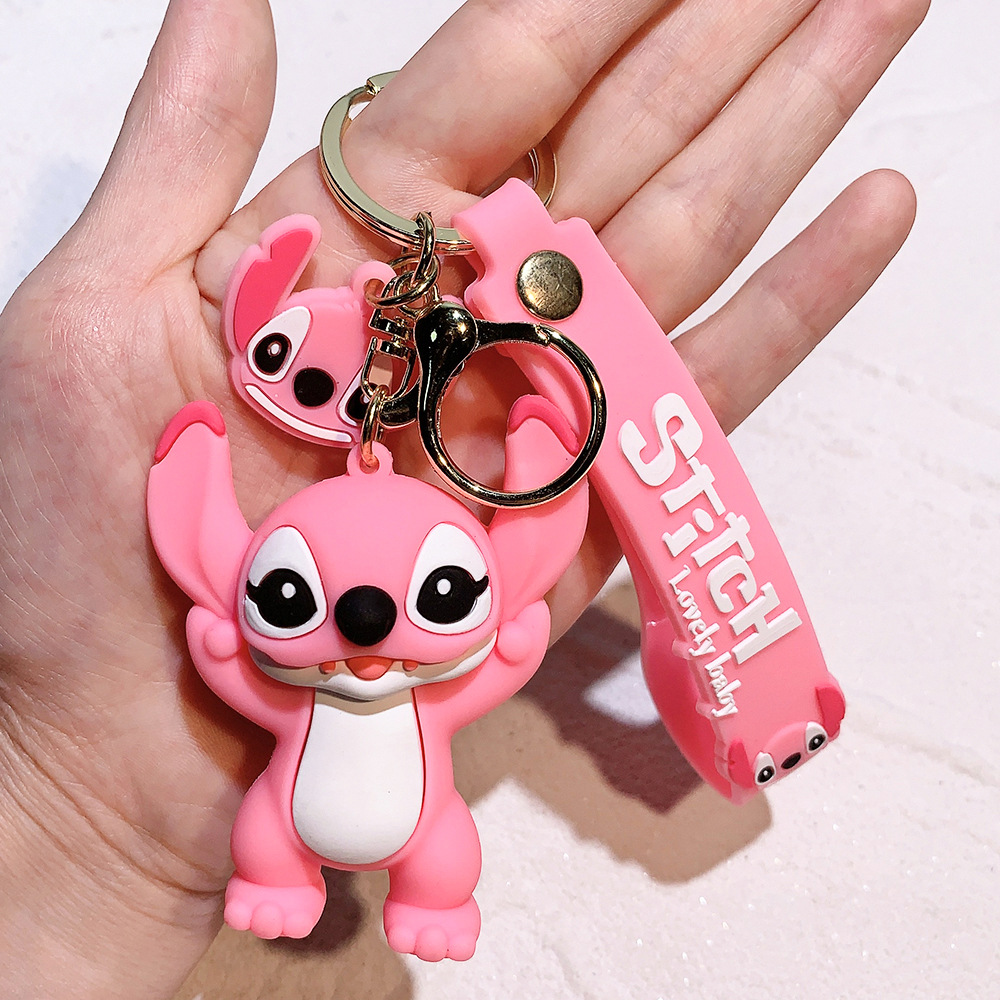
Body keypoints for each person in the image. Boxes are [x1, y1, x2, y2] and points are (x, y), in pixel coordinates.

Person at [0, 0, 927, 995]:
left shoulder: (388, 674)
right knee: (296, 835)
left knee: (437, 853)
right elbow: (230, 600)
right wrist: (69, 791)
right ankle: (299, 876)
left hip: (379, 816)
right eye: (287, 598)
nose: (365, 626)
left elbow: (484, 643)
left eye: (441, 597)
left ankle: (430, 895)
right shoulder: (307, 676)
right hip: (267, 824)